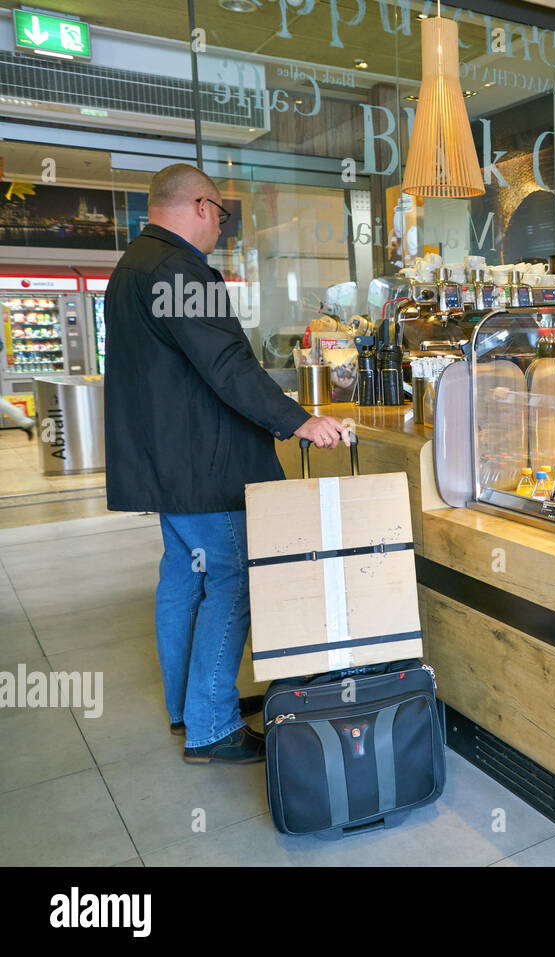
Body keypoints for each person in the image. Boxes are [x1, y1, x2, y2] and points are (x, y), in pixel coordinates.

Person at [104, 163, 350, 765]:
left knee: (184, 579)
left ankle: (189, 706)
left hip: (165, 463)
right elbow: (227, 367)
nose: (222, 226)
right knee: (234, 580)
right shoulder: (180, 270)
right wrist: (299, 420)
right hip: (207, 465)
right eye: (222, 214)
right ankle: (212, 725)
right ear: (200, 205)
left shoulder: (132, 267)